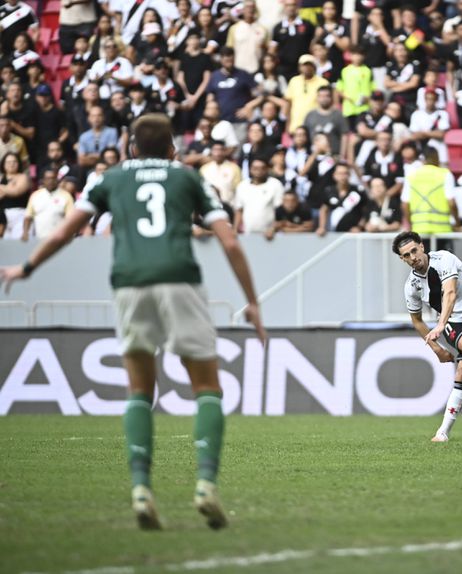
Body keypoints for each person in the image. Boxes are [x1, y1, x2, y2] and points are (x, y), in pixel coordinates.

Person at [0, 114, 266, 530]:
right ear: (172, 148)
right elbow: (228, 238)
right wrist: (252, 302)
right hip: (180, 279)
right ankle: (205, 484)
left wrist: (26, 268)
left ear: (132, 148)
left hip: (129, 283)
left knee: (139, 390)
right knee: (207, 387)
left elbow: (65, 230)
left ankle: (141, 488)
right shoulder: (187, 177)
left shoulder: (111, 178)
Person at [393, 230, 462, 442]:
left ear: (422, 246)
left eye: (414, 251)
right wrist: (437, 348)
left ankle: (443, 431)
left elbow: (450, 292)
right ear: (402, 259)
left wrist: (439, 326)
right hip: (452, 321)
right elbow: (417, 321)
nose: (413, 258)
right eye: (406, 255)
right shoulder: (411, 286)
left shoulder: (444, 259)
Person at [401, 147, 459, 237]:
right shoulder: (445, 174)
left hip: (419, 230)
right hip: (442, 230)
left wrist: (410, 224)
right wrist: (457, 222)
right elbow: (451, 203)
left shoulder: (411, 175)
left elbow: (405, 204)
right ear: (437, 158)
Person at [234, 157, 284, 234]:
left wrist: (274, 228)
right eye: (255, 168)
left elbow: (279, 211)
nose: (259, 171)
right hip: (248, 233)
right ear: (250, 169)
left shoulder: (275, 184)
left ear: (267, 169)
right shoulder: (242, 186)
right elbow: (239, 210)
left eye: (262, 168)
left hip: (269, 234)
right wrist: (235, 229)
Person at [21, 169, 73, 241]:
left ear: (57, 180)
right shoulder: (35, 196)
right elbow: (28, 217)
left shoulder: (66, 196)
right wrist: (25, 232)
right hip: (39, 239)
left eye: (53, 178)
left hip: (59, 240)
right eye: (48, 178)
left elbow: (70, 219)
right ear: (43, 181)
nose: (51, 181)